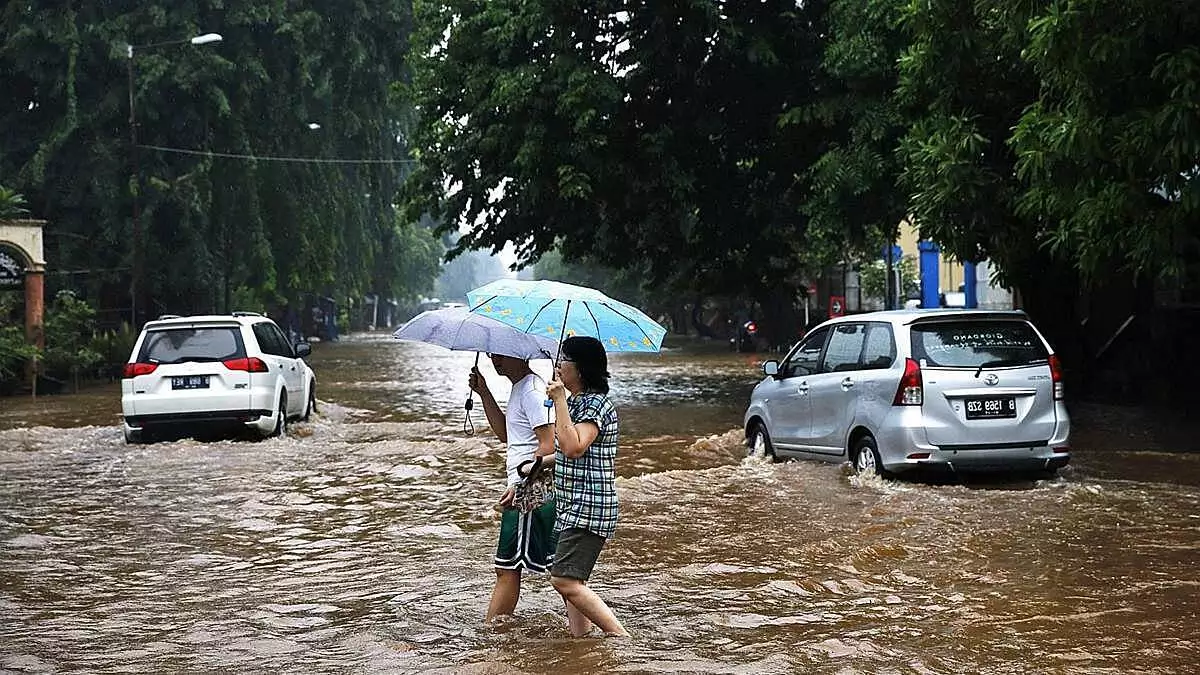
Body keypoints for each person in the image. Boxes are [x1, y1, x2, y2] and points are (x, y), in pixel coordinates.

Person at [541, 336, 629, 637]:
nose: (558, 365)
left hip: (589, 505)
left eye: (563, 360)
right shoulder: (578, 402)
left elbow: (574, 446)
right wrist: (540, 464)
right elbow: (572, 451)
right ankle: (582, 643)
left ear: (580, 369)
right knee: (572, 583)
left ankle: (621, 638)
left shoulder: (595, 404)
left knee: (564, 580)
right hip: (572, 504)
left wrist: (559, 400)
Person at [468, 352, 556, 624]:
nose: (495, 359)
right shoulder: (522, 388)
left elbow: (549, 445)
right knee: (558, 572)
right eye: (493, 354)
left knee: (507, 568)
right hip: (528, 488)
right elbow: (509, 435)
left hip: (530, 491)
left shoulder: (531, 389)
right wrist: (484, 393)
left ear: (521, 354)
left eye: (502, 354)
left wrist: (520, 486)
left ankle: (492, 636)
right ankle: (582, 634)